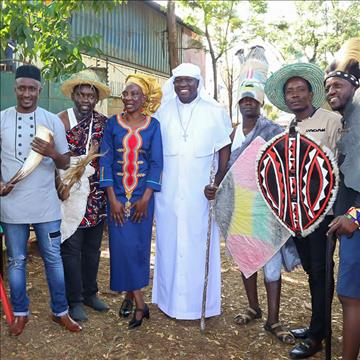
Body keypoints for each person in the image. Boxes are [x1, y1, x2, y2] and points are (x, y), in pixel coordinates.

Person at [265, 63, 342, 359]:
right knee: (312, 270)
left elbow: (338, 166)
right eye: (289, 92)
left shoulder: (331, 120)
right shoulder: (291, 127)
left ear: (311, 93)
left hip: (323, 214)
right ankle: (315, 327)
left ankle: (318, 336)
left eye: (300, 90)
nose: (295, 95)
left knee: (322, 271)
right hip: (298, 216)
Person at [0, 64, 82, 335]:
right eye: (22, 88)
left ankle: (61, 312)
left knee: (53, 258)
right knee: (16, 260)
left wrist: (51, 152)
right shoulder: (2, 119)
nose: (26, 93)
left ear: (39, 89)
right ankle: (20, 312)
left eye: (32, 89)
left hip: (47, 205)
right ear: (15, 88)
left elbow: (66, 163)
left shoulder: (52, 120)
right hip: (12, 206)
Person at [152, 63, 232, 320]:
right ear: (173, 83)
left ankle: (203, 305)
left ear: (198, 83)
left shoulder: (214, 112)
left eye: (188, 81)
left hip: (201, 194)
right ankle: (168, 301)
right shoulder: (162, 112)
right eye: (178, 81)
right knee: (169, 243)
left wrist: (217, 182)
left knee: (200, 245)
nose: (183, 86)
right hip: (169, 194)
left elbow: (224, 148)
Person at [229, 47, 296, 345]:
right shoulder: (230, 134)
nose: (248, 104)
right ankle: (253, 307)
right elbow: (221, 169)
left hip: (267, 206)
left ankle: (273, 318)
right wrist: (214, 187)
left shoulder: (273, 130)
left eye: (252, 99)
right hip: (240, 207)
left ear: (260, 102)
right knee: (246, 258)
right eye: (243, 99)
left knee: (270, 263)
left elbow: (282, 168)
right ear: (238, 103)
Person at [99, 74, 163, 329]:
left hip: (142, 201)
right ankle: (140, 304)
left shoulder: (154, 125)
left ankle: (130, 295)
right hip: (116, 199)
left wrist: (146, 199)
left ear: (144, 98)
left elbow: (157, 164)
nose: (128, 98)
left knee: (137, 250)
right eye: (126, 93)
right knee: (122, 249)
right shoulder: (113, 124)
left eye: (134, 94)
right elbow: (104, 160)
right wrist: (112, 199)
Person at [57, 69, 111, 321]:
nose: (86, 100)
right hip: (69, 194)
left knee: (92, 249)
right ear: (74, 96)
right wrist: (60, 184)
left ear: (97, 99)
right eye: (82, 95)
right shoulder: (61, 121)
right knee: (71, 248)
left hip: (96, 195)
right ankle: (74, 299)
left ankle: (90, 294)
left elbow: (109, 156)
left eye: (91, 96)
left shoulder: (103, 123)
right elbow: (53, 159)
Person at [325, 37, 360, 360]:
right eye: (327, 87)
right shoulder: (347, 117)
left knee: (350, 296)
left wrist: (356, 215)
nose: (331, 92)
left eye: (337, 85)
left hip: (356, 219)